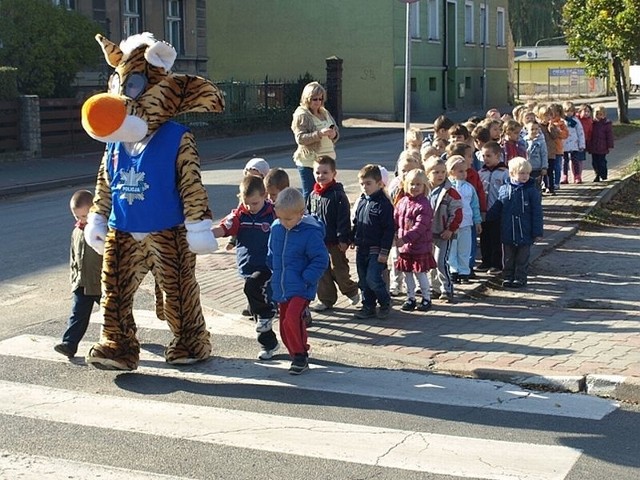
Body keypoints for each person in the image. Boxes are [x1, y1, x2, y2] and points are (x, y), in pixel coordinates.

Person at [212, 176, 280, 360]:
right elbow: (223, 228)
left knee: (253, 289)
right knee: (256, 306)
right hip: (248, 267)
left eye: (255, 203)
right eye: (246, 203)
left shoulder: (274, 213)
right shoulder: (239, 215)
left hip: (268, 265)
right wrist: (203, 236)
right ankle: (269, 344)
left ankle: (269, 312)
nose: (250, 207)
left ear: (265, 196)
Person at [267, 187, 329, 374]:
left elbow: (321, 259)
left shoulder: (310, 233)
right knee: (284, 324)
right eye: (280, 218)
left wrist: (307, 278)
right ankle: (294, 353)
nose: (285, 223)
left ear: (301, 214)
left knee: (292, 319)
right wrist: (271, 268)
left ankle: (301, 355)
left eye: (289, 219)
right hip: (282, 285)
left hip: (302, 286)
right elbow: (272, 252)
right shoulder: (276, 227)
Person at [306, 156, 360, 312]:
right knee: (322, 271)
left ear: (333, 173)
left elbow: (343, 219)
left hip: (335, 241)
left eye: (325, 172)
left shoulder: (337, 195)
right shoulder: (313, 195)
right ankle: (326, 299)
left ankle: (351, 290)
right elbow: (309, 215)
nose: (321, 176)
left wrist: (343, 238)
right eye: (317, 172)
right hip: (318, 241)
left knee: (339, 269)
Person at [54, 190, 103, 358]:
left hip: (101, 283)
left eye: (85, 216)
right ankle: (69, 343)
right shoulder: (76, 231)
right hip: (82, 283)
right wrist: (74, 278)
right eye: (77, 217)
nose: (82, 220)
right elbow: (73, 256)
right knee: (78, 314)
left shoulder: (101, 231)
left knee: (113, 314)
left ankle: (127, 334)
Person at [487, 157, 543, 288]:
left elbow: (537, 213)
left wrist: (537, 231)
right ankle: (507, 276)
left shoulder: (532, 191)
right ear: (512, 173)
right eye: (522, 173)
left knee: (522, 257)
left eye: (527, 173)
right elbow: (498, 205)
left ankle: (520, 277)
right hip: (508, 230)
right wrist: (488, 217)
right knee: (508, 257)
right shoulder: (504, 189)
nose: (525, 176)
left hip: (525, 230)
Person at [351, 164, 395, 319]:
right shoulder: (362, 201)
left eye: (368, 183)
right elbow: (357, 222)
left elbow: (388, 230)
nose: (364, 187)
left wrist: (384, 251)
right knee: (363, 280)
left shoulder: (383, 204)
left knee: (373, 278)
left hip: (376, 249)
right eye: (362, 184)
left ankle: (385, 302)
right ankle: (368, 306)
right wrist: (352, 237)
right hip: (361, 247)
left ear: (379, 183)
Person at [394, 169, 437, 312]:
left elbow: (420, 227)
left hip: (419, 245)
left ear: (425, 186)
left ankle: (426, 298)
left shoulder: (424, 205)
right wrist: (394, 234)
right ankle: (410, 297)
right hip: (405, 247)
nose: (415, 187)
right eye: (412, 184)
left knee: (420, 273)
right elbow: (395, 219)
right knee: (407, 274)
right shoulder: (402, 202)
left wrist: (405, 239)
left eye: (419, 184)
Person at [291, 81, 339, 200]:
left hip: (328, 160)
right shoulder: (302, 114)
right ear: (307, 99)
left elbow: (335, 130)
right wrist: (319, 134)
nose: (318, 102)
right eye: (314, 99)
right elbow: (300, 138)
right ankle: (308, 218)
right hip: (309, 161)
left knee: (328, 193)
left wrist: (334, 134)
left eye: (320, 99)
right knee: (311, 194)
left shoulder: (324, 112)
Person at [424, 156, 462, 302]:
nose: (440, 175)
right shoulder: (425, 191)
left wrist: (451, 229)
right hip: (428, 235)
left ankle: (447, 288)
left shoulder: (450, 192)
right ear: (428, 174)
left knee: (441, 262)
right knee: (430, 263)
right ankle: (434, 288)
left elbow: (457, 213)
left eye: (442, 172)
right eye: (435, 172)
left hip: (443, 234)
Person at [446, 156, 482, 284]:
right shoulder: (448, 188)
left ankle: (464, 271)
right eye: (460, 171)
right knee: (452, 249)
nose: (464, 174)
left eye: (465, 171)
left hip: (466, 223)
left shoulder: (469, 188)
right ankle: (453, 270)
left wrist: (477, 221)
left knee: (464, 249)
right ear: (451, 171)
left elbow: (474, 205)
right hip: (452, 225)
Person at [478, 141, 509, 274]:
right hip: (484, 211)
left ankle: (497, 264)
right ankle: (486, 261)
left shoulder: (504, 173)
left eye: (489, 156)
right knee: (484, 238)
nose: (486, 159)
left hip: (498, 211)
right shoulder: (481, 172)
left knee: (497, 238)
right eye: (484, 156)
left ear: (498, 156)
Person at [561, 101, 586, 184]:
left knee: (575, 160)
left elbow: (580, 132)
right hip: (564, 144)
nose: (569, 113)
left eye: (570, 111)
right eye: (566, 111)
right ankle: (564, 176)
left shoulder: (576, 121)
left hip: (574, 144)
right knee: (564, 161)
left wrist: (581, 144)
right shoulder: (562, 121)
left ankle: (577, 175)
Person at [590, 104, 614, 182]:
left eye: (600, 114)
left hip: (602, 146)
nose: (599, 116)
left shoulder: (606, 124)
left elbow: (609, 135)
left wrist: (610, 144)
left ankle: (603, 174)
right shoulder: (593, 123)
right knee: (594, 162)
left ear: (604, 114)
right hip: (594, 146)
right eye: (597, 114)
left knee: (602, 162)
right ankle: (597, 174)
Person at [524, 121, 548, 192]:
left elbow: (544, 154)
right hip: (526, 167)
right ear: (527, 130)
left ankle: (537, 200)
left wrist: (544, 167)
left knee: (536, 186)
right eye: (532, 129)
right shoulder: (524, 141)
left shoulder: (541, 141)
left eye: (536, 129)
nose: (534, 131)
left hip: (537, 167)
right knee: (527, 186)